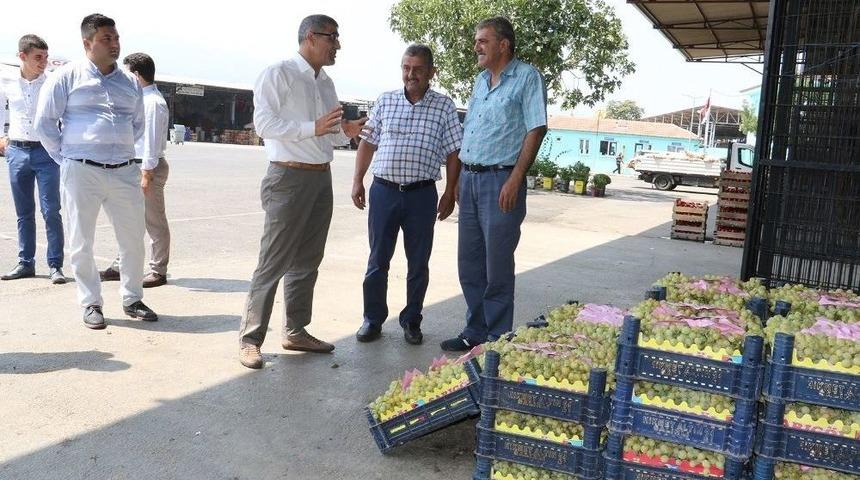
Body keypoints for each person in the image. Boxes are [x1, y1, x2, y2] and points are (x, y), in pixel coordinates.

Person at [238, 14, 367, 369]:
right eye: (333, 38)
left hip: (320, 177)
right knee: (273, 261)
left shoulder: (326, 83)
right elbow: (264, 124)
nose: (337, 45)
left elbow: (330, 132)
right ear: (311, 37)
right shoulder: (277, 74)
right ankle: (250, 339)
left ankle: (295, 330)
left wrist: (348, 131)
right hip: (288, 177)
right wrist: (314, 127)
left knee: (308, 260)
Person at [34, 13, 158, 329]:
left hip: (124, 172)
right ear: (87, 42)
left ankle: (132, 298)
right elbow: (45, 123)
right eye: (107, 39)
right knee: (81, 241)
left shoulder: (130, 82)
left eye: (116, 38)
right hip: (82, 171)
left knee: (132, 238)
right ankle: (91, 302)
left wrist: (118, 148)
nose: (115, 44)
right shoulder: (66, 77)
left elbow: (138, 124)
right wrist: (67, 158)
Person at [440, 16, 547, 352]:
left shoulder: (527, 78)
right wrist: (457, 179)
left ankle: (496, 338)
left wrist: (515, 178)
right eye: (477, 41)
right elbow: (470, 129)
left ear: (504, 44)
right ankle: (474, 330)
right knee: (469, 262)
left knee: (496, 263)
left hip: (501, 179)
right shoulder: (479, 81)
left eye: (483, 41)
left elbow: (536, 128)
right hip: (470, 180)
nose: (477, 47)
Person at [351, 45, 463, 345]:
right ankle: (372, 319)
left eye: (417, 70)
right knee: (377, 260)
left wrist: (450, 191)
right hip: (384, 192)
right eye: (406, 68)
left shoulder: (444, 106)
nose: (410, 75)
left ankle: (412, 319)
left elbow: (454, 152)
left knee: (418, 263)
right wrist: (358, 180)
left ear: (431, 73)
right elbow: (367, 142)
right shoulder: (386, 101)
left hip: (421, 196)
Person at [100, 53, 171, 288]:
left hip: (147, 166)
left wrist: (146, 174)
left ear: (137, 75)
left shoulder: (153, 103)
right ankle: (122, 264)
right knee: (129, 220)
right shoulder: (141, 99)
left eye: (127, 72)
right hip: (135, 165)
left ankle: (158, 270)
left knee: (153, 221)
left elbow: (150, 143)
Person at [0, 35, 65, 284]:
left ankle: (55, 265)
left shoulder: (51, 83)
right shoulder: (7, 81)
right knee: (23, 212)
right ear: (22, 56)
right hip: (16, 151)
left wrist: (62, 145)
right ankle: (25, 263)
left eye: (46, 57)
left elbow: (64, 114)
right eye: (38, 57)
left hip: (46, 153)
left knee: (51, 210)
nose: (44, 62)